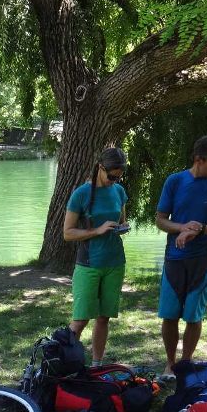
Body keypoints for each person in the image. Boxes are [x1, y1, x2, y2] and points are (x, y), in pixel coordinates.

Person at [155, 134, 207, 378]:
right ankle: (170, 364)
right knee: (170, 314)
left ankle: (186, 363)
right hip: (174, 258)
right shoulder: (175, 181)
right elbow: (160, 219)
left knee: (193, 314)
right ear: (198, 160)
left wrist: (201, 229)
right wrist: (182, 228)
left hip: (203, 258)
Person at [63, 147, 129, 367]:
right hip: (89, 264)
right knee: (80, 320)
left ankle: (96, 365)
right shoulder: (81, 193)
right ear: (100, 168)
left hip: (115, 262)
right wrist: (96, 230)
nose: (114, 180)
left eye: (119, 176)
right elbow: (68, 232)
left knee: (104, 317)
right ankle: (63, 365)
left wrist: (122, 227)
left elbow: (121, 220)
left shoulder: (119, 191)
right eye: (111, 176)